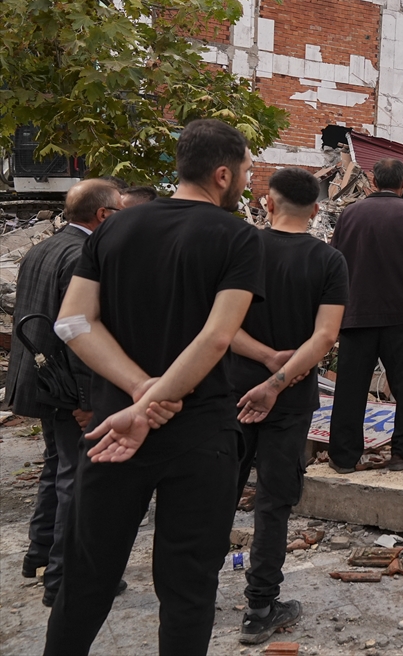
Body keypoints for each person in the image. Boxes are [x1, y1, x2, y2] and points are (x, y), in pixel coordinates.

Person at [47, 119, 265, 655]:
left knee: (86, 577)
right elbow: (217, 338)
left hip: (112, 428)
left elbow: (72, 323)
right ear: (222, 174)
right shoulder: (238, 237)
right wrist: (152, 402)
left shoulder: (115, 228)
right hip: (199, 435)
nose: (248, 180)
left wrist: (137, 392)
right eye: (246, 170)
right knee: (188, 585)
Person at [228, 168, 347, 643]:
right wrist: (278, 381)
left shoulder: (242, 249)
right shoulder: (329, 261)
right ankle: (260, 608)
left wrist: (259, 360)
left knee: (217, 493)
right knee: (274, 503)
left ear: (269, 204)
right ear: (317, 210)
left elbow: (218, 326)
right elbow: (325, 337)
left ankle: (187, 595)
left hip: (232, 393)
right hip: (291, 398)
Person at [6, 180, 121, 606]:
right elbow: (77, 331)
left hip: (39, 380)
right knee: (77, 479)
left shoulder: (44, 247)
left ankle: (39, 554)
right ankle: (63, 578)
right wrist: (87, 400)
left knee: (56, 469)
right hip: (65, 386)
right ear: (104, 216)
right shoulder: (81, 256)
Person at [328, 158, 403, 473]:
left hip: (355, 316)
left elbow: (335, 263)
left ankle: (343, 456)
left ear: (373, 183)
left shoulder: (349, 214)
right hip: (402, 317)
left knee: (350, 387)